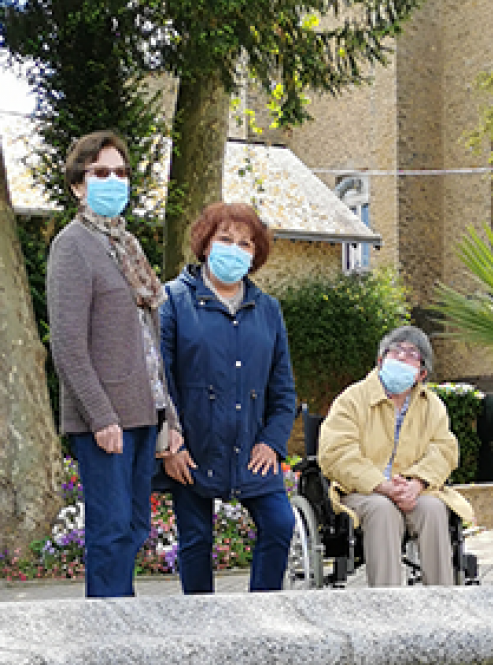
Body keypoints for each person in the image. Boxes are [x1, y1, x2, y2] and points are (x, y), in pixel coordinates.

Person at [47, 130, 181, 598]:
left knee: (135, 527)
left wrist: (170, 417)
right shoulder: (73, 245)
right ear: (78, 185)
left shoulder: (127, 247)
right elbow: (68, 344)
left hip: (145, 412)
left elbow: (149, 343)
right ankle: (106, 627)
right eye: (101, 172)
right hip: (105, 421)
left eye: (121, 172)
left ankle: (121, 619)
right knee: (110, 532)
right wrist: (101, 416)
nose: (113, 180)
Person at [158, 202, 297, 593]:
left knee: (279, 524)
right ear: (205, 244)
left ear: (255, 255)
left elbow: (283, 389)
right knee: (196, 540)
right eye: (225, 239)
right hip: (192, 450)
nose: (234, 249)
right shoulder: (173, 301)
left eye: (245, 243)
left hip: (253, 449)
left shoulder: (268, 310)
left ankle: (261, 611)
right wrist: (170, 444)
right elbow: (159, 382)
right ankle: (201, 621)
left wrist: (272, 442)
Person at [319, 326, 474, 587]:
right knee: (382, 509)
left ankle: (442, 598)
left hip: (414, 490)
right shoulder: (352, 399)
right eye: (395, 351)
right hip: (362, 491)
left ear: (421, 373)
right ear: (381, 360)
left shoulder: (432, 406)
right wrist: (382, 485)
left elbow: (444, 449)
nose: (402, 356)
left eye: (411, 354)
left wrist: (417, 483)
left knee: (434, 509)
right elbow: (336, 452)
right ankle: (388, 602)